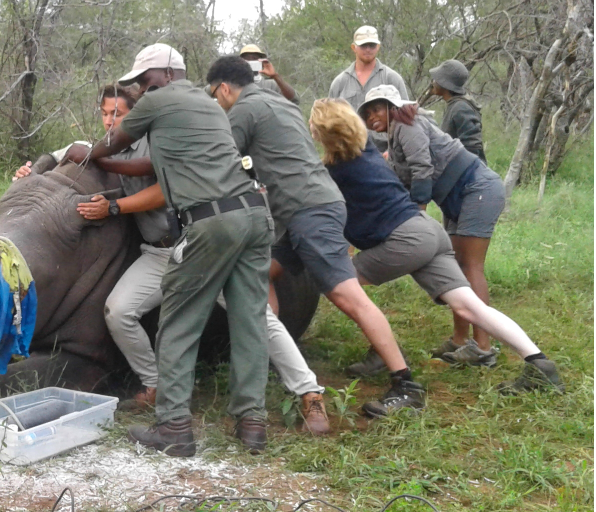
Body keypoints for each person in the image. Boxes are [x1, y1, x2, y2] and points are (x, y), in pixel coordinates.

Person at [16, 84, 331, 435]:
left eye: (118, 115)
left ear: (138, 115)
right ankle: (155, 386)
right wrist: (34, 170)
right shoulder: (109, 143)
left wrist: (116, 205)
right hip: (157, 252)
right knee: (119, 311)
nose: (110, 121)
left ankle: (309, 393)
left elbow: (164, 189)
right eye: (105, 113)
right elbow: (71, 154)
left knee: (251, 316)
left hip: (197, 242)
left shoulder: (164, 136)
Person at [62, 43, 275, 456]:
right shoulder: (208, 103)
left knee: (177, 322)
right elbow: (151, 164)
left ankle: (174, 426)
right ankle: (252, 424)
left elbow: (111, 143)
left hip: (211, 222)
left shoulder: (160, 100)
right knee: (249, 321)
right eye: (138, 84)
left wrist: (83, 152)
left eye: (144, 80)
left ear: (165, 75)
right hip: (253, 214)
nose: (140, 89)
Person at [206, 56, 422, 418]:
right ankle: (269, 361)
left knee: (347, 296)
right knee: (260, 275)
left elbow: (221, 162)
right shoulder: (280, 102)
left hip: (308, 211)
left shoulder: (244, 109)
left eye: (215, 95)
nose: (218, 102)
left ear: (225, 88)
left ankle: (406, 383)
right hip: (300, 210)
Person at [309, 98, 563, 393]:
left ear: (322, 133)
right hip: (428, 231)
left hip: (407, 238)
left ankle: (384, 352)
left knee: (341, 285)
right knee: (470, 307)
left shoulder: (335, 170)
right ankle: (540, 365)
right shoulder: (365, 149)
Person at [359, 84, 506, 367]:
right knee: (457, 270)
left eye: (377, 108)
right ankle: (460, 341)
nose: (372, 116)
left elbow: (422, 167)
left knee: (470, 266)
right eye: (367, 113)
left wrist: (419, 213)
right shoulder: (393, 136)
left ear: (392, 106)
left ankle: (483, 348)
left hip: (476, 188)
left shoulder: (406, 123)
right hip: (454, 197)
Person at [328, 25, 409, 154]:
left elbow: (406, 117)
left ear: (378, 47)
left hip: (385, 151)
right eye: (363, 45)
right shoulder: (339, 83)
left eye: (372, 45)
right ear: (354, 47)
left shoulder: (392, 78)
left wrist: (392, 152)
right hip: (350, 151)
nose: (368, 49)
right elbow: (330, 122)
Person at [430, 59, 487, 163]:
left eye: (437, 79)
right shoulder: (454, 104)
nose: (433, 81)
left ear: (445, 84)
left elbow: (472, 149)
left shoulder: (461, 108)